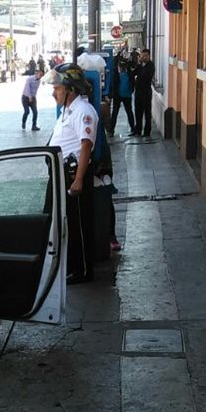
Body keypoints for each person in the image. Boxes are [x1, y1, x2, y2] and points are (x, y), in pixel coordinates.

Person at [47, 65, 99, 283]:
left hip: (73, 175)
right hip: (60, 174)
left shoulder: (83, 111)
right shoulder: (67, 111)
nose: (54, 93)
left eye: (57, 88)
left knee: (79, 225)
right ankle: (71, 265)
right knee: (65, 222)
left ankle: (83, 270)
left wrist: (78, 179)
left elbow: (85, 146)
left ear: (70, 88)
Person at [107, 53, 136, 136]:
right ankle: (111, 131)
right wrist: (110, 95)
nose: (122, 69)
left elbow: (132, 81)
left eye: (124, 67)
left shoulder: (129, 72)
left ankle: (133, 128)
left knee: (129, 112)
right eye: (121, 67)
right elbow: (112, 84)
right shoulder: (115, 72)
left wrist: (131, 90)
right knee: (115, 113)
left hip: (127, 95)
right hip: (117, 95)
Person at [132, 48, 155, 137]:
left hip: (146, 92)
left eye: (146, 56)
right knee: (138, 112)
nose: (144, 57)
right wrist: (138, 64)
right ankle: (138, 130)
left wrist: (138, 77)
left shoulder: (150, 66)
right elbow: (133, 73)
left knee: (147, 113)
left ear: (149, 56)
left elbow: (144, 76)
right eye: (142, 56)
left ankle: (147, 132)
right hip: (138, 92)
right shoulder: (140, 65)